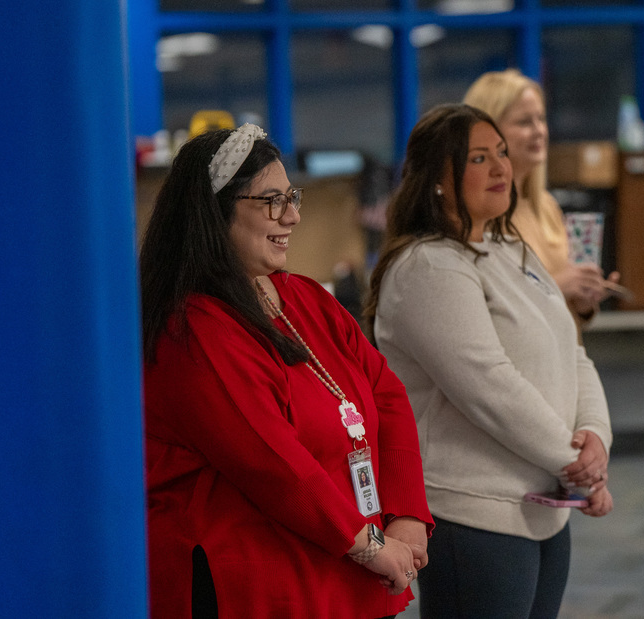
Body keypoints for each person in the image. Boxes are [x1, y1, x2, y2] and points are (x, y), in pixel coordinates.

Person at [140, 124, 432, 619]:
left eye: (291, 197)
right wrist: (370, 544)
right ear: (215, 213)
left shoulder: (305, 297)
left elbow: (387, 395)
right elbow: (273, 464)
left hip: (347, 565)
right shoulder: (192, 328)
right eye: (271, 201)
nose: (293, 215)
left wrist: (405, 517)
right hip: (257, 586)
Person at [366, 104, 614, 619]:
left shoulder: (509, 248)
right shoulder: (428, 265)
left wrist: (595, 436)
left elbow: (571, 350)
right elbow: (489, 386)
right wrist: (574, 460)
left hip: (544, 505)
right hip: (472, 514)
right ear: (438, 179)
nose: (502, 168)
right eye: (479, 158)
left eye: (501, 152)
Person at [464, 69, 620, 324]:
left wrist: (583, 302)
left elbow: (563, 322)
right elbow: (485, 313)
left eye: (541, 119)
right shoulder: (479, 216)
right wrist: (558, 286)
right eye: (525, 122)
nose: (539, 131)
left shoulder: (546, 206)